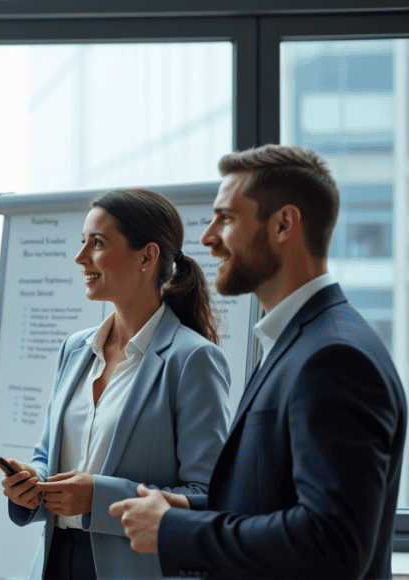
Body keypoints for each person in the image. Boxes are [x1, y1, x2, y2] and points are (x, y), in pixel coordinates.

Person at [109, 144, 408, 579]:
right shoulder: (297, 341)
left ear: (284, 224)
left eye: (226, 218)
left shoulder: (334, 357)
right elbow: (278, 499)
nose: (208, 237)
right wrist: (194, 509)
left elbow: (333, 542)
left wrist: (177, 529)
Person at [2, 188, 232, 579]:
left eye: (97, 243)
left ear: (148, 255)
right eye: (83, 242)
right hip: (55, 563)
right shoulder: (74, 349)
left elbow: (209, 496)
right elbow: (47, 456)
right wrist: (31, 485)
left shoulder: (192, 360)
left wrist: (98, 496)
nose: (80, 258)